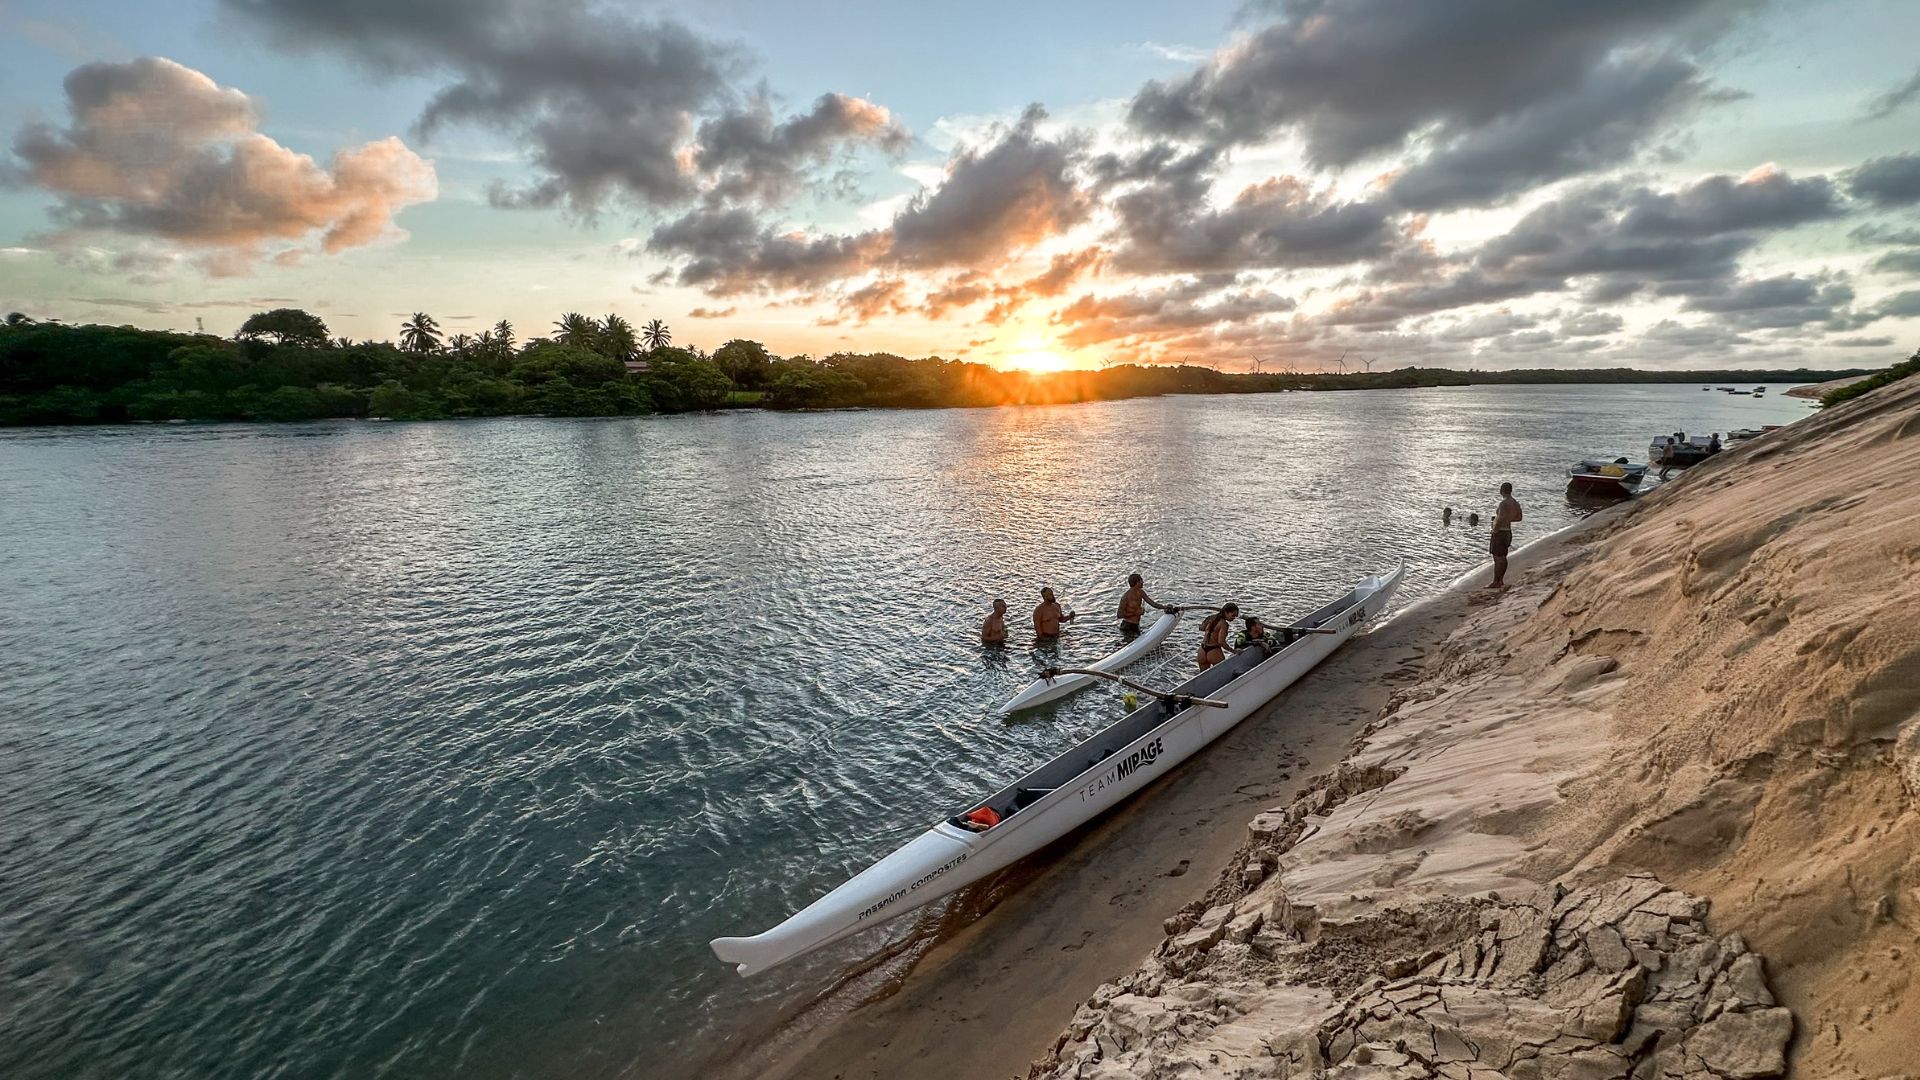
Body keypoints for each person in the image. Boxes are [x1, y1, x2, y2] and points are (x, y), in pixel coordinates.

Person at [1489, 481, 1523, 589]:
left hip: (1500, 532)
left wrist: (1495, 527)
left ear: (1501, 491)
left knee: (1497, 557)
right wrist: (1508, 519)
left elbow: (1501, 517)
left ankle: (1496, 581)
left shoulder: (1503, 503)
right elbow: (1519, 518)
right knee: (1503, 556)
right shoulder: (1515, 503)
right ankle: (1500, 580)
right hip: (1508, 531)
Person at [1197, 603, 1238, 669]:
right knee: (1222, 673)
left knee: (1202, 677)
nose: (1234, 618)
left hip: (1202, 650)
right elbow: (1221, 642)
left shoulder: (1211, 618)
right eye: (1233, 615)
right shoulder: (1224, 624)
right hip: (1214, 651)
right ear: (1226, 613)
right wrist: (1234, 651)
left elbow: (1201, 628)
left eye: (1236, 616)